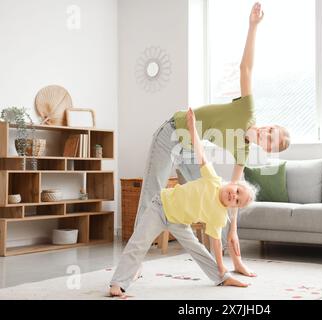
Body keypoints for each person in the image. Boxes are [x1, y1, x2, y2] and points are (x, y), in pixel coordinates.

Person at [135, 2, 290, 278]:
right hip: (172, 132)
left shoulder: (243, 152)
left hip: (189, 147)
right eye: (270, 131)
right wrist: (253, 26)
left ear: (267, 150)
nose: (266, 135)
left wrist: (233, 231)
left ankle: (223, 269)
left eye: (270, 141)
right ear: (267, 126)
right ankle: (135, 264)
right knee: (151, 196)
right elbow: (246, 68)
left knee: (214, 202)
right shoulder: (247, 109)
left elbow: (233, 193)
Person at [110, 109, 258, 296]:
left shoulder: (219, 216)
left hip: (179, 222)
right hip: (160, 207)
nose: (233, 196)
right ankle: (118, 284)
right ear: (232, 183)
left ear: (234, 207)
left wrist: (222, 268)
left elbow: (216, 244)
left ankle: (222, 277)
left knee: (198, 248)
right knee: (138, 243)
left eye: (237, 201)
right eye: (237, 191)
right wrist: (192, 129)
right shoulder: (213, 180)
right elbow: (201, 153)